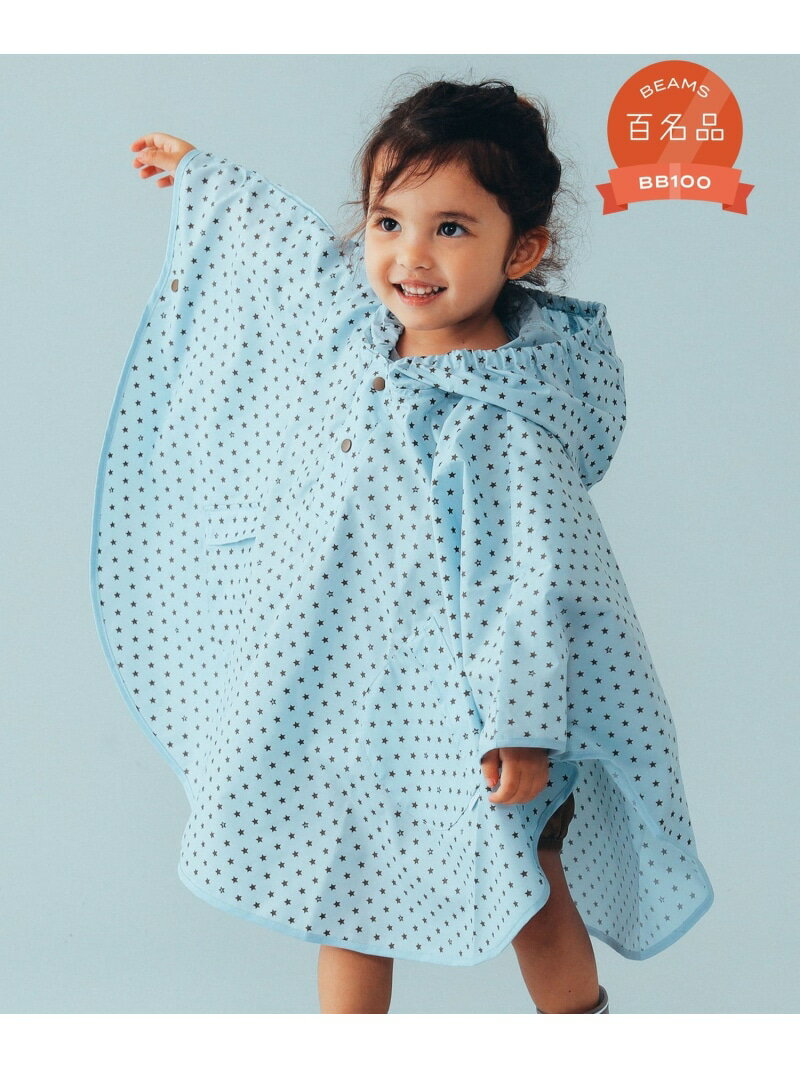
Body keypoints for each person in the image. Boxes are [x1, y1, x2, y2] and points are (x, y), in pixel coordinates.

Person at [91, 76, 713, 1014]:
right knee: (343, 886)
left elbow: (530, 577)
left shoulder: (497, 415)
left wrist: (522, 726)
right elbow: (299, 263)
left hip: (479, 705)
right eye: (388, 222)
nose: (410, 256)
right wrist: (209, 182)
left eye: (451, 228)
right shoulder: (363, 330)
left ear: (523, 249)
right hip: (361, 692)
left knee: (527, 879)